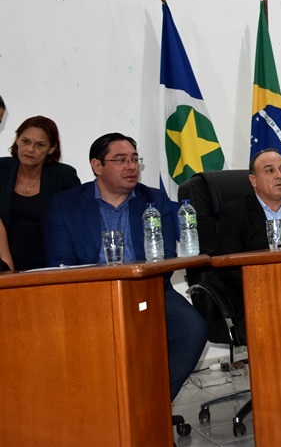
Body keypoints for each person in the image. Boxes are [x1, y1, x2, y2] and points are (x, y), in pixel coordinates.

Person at [45, 133, 207, 401]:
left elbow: (166, 256)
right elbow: (59, 262)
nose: (131, 166)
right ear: (97, 166)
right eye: (120, 160)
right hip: (90, 296)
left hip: (149, 291)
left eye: (134, 159)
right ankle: (106, 409)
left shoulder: (154, 199)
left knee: (192, 329)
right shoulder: (66, 204)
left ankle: (150, 405)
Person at [211, 149, 281, 334]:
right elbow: (229, 268)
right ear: (253, 180)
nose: (279, 175)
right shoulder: (235, 213)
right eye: (270, 171)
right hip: (258, 298)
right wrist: (271, 290)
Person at [0, 116, 81, 270]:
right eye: (25, 141)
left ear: (51, 148)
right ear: (17, 140)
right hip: (4, 264)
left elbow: (76, 224)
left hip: (49, 265)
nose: (30, 149)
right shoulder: (1, 169)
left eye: (40, 145)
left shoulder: (64, 176)